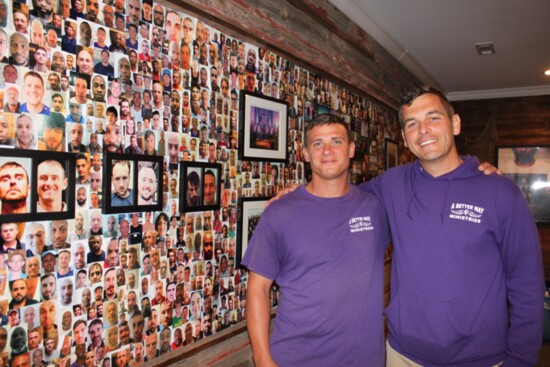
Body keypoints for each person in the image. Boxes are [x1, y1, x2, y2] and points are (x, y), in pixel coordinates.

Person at [243, 114, 389, 366]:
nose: (327, 151)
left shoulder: (374, 207)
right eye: (318, 143)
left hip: (365, 358)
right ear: (306, 153)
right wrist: (262, 359)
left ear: (351, 149)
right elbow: (258, 289)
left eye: (336, 141)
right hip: (297, 358)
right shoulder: (280, 212)